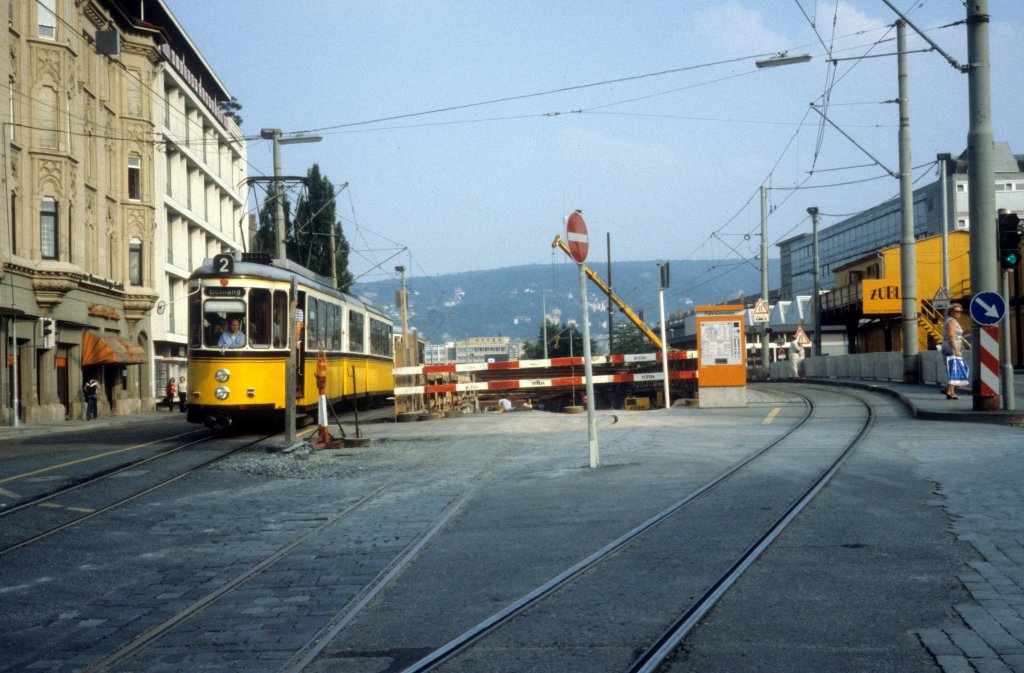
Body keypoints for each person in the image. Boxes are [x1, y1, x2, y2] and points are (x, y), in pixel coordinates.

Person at [942, 302, 966, 399]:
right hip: (951, 346)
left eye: (960, 312)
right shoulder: (952, 321)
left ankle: (950, 392)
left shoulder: (950, 320)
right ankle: (949, 390)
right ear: (950, 312)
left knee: (953, 369)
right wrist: (956, 350)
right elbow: (952, 336)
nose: (958, 313)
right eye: (956, 311)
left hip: (949, 345)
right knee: (955, 369)